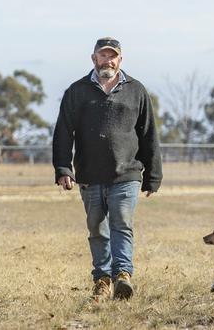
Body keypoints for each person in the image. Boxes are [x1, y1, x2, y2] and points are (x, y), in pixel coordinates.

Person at [52, 37, 163, 300]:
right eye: (103, 55)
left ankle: (122, 274)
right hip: (90, 175)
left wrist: (153, 175)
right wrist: (63, 168)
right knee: (96, 228)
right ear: (94, 59)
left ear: (120, 60)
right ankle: (102, 280)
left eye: (112, 56)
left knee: (122, 223)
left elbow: (149, 134)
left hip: (127, 174)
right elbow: (63, 133)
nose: (108, 60)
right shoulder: (77, 91)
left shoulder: (136, 90)